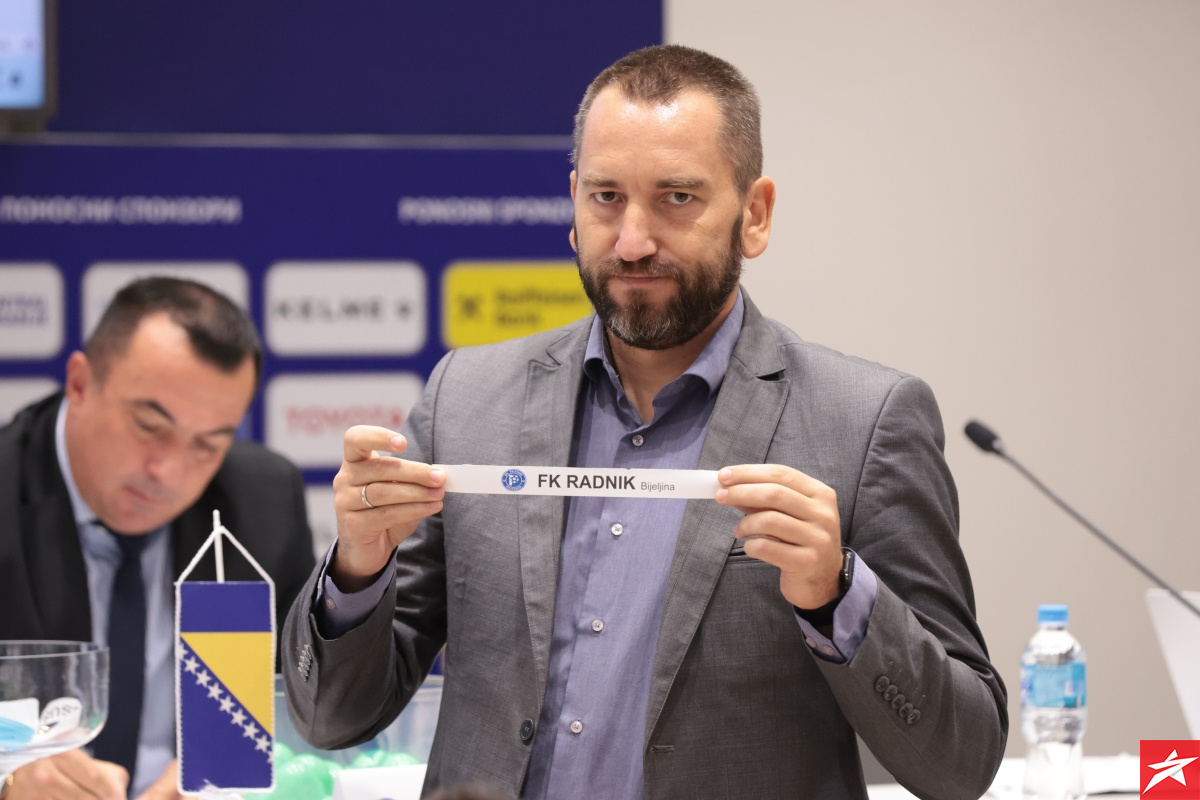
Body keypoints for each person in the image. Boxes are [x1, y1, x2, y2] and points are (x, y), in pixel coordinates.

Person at [284, 44, 1007, 799]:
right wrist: (357, 568)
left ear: (755, 215)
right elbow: (330, 719)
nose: (632, 242)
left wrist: (837, 593)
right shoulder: (467, 397)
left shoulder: (864, 422)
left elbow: (961, 764)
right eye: (606, 197)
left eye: (677, 198)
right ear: (573, 204)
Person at [0, 277, 316, 800]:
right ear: (79, 383)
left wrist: (231, 774)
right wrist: (7, 774)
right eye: (149, 426)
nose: (168, 472)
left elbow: (306, 711)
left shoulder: (264, 504)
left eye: (208, 445)